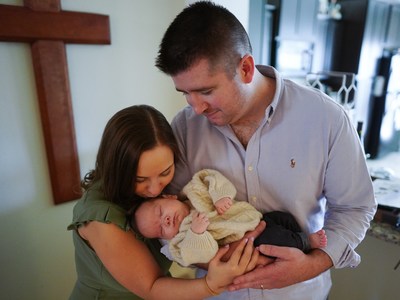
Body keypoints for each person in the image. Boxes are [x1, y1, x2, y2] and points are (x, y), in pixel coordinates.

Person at [155, 1, 377, 299]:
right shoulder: (184, 128)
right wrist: (209, 260)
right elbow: (164, 215)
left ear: (245, 68)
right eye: (185, 94)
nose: (195, 108)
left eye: (206, 91)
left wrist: (312, 264)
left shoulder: (326, 118)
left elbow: (355, 208)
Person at [67, 105, 261, 300]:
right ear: (119, 170)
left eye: (165, 173)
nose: (154, 190)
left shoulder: (161, 196)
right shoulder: (101, 218)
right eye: (140, 179)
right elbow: (151, 287)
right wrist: (210, 285)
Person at [133, 169, 327, 267]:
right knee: (274, 239)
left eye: (160, 213)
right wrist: (197, 233)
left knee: (281, 218)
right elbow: (201, 254)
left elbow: (211, 177)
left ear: (168, 196)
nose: (165, 221)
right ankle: (305, 242)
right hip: (251, 241)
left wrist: (221, 195)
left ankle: (297, 232)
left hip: (252, 217)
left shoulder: (194, 190)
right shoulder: (181, 241)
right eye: (160, 229)